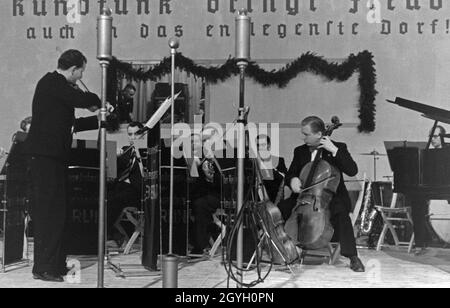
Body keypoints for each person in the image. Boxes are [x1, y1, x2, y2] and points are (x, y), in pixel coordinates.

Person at [25, 49, 101, 282]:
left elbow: (69, 123)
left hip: (54, 158)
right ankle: (44, 268)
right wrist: (96, 101)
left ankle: (55, 264)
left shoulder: (58, 88)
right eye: (80, 73)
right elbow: (81, 100)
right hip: (45, 158)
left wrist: (97, 118)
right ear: (73, 69)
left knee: (58, 212)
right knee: (49, 213)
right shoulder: (53, 83)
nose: (80, 78)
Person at [277, 116, 365, 272]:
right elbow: (291, 174)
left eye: (306, 134)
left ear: (319, 134)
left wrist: (335, 151)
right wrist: (293, 180)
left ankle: (353, 256)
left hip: (332, 197)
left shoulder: (338, 147)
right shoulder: (300, 151)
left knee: (341, 213)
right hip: (303, 198)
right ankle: (285, 251)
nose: (303, 137)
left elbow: (352, 170)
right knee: (280, 209)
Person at [409, 125, 448, 256]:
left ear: (443, 137)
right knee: (416, 203)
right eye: (430, 136)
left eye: (435, 136)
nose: (432, 139)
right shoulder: (427, 154)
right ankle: (420, 243)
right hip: (432, 186)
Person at [107, 121, 145, 245]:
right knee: (106, 194)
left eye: (136, 134)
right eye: (130, 134)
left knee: (117, 197)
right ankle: (111, 234)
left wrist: (139, 155)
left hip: (141, 192)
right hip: (124, 189)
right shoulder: (125, 151)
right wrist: (112, 157)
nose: (133, 137)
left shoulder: (148, 152)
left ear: (143, 135)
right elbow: (114, 173)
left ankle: (110, 234)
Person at [185, 132, 222, 255]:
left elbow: (220, 182)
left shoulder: (210, 158)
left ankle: (199, 245)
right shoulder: (189, 158)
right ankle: (183, 241)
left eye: (195, 142)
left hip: (214, 195)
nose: (192, 145)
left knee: (200, 205)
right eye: (190, 143)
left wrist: (210, 165)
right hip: (195, 194)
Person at [255, 134, 288, 204]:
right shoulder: (251, 162)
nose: (260, 147)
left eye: (263, 145)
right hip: (255, 203)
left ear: (268, 145)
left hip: (273, 202)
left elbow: (283, 179)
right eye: (258, 145)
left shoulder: (279, 160)